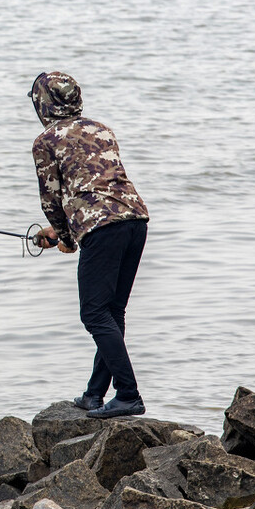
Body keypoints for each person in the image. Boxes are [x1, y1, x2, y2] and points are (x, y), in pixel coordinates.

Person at [29, 71, 150, 419]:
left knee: (94, 313)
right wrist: (62, 232)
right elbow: (95, 183)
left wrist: (65, 239)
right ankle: (95, 394)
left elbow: (51, 199)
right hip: (135, 220)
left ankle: (128, 394)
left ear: (43, 104)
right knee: (112, 312)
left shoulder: (45, 141)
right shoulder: (102, 129)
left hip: (101, 228)